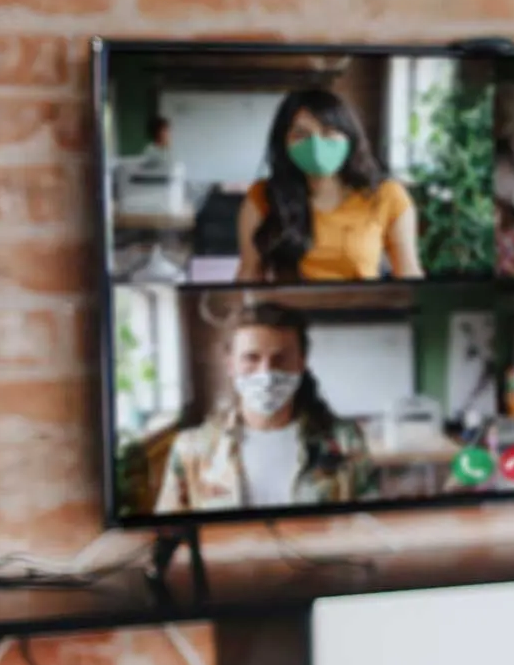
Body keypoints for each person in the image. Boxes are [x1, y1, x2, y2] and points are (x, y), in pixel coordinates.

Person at [155, 304, 378, 511]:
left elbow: (372, 527)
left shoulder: (345, 441)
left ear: (301, 363)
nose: (266, 373)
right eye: (251, 358)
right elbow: (166, 538)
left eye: (280, 359)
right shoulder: (192, 449)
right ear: (231, 364)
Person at [237, 88, 421, 283]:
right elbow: (249, 275)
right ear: (284, 142)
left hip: (362, 311)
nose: (316, 144)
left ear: (349, 137)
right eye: (301, 134)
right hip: (287, 312)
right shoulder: (263, 196)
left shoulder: (387, 195)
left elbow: (408, 274)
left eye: (328, 131)